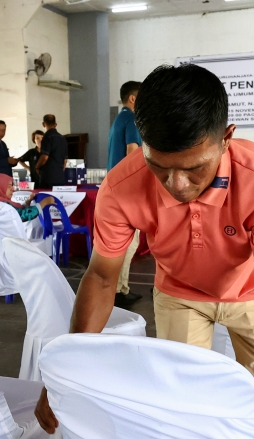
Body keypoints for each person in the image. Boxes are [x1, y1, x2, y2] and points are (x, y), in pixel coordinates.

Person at [33, 63, 254, 439]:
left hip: (250, 295)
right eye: (159, 167)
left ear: (227, 136)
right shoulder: (122, 188)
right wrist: (63, 372)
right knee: (183, 406)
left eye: (194, 168)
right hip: (180, 293)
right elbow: (102, 278)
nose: (177, 186)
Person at [107, 80, 144, 309]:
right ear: (133, 98)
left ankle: (120, 288)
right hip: (128, 189)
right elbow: (133, 152)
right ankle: (119, 290)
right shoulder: (132, 118)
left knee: (122, 241)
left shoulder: (119, 119)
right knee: (130, 241)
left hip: (115, 187)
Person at [36, 114, 67, 188]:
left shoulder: (47, 137)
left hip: (48, 177)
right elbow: (65, 161)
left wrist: (37, 166)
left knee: (47, 197)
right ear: (56, 124)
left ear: (43, 124)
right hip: (60, 177)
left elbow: (44, 157)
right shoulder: (62, 138)